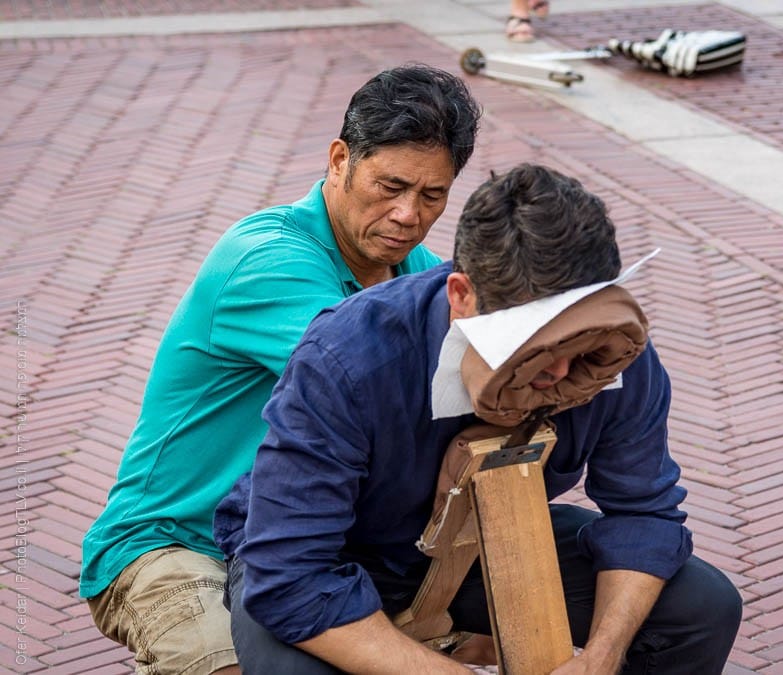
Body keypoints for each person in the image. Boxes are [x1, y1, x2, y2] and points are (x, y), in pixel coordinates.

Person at [214, 163, 743, 674]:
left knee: (702, 608)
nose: (558, 369)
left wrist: (602, 655)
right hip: (335, 552)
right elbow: (290, 576)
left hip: (479, 540)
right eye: (529, 346)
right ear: (462, 296)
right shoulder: (346, 357)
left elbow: (643, 514)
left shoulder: (611, 355)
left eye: (574, 342)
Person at [79, 63, 482, 674]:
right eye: (391, 186)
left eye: (432, 195)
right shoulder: (268, 260)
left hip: (307, 539)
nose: (408, 214)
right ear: (341, 158)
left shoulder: (419, 272)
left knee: (489, 630)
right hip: (175, 544)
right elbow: (373, 375)